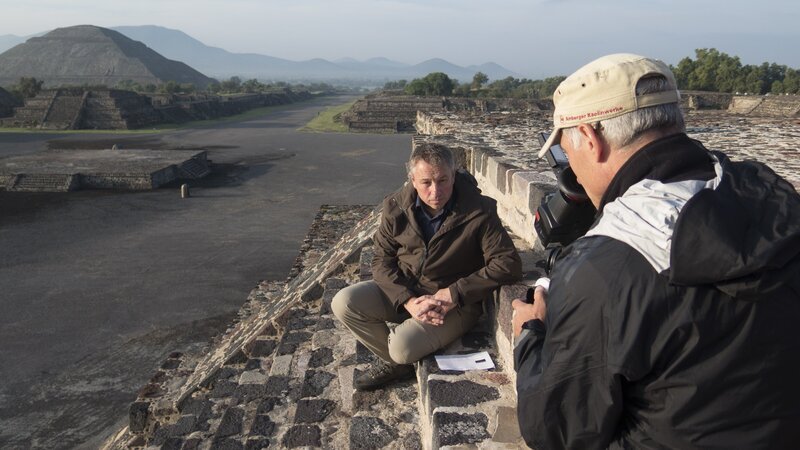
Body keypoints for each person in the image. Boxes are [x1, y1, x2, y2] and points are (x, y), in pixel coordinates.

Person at [512, 53, 800, 449]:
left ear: (591, 140)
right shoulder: (768, 191)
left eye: (567, 150)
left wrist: (531, 332)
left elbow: (555, 428)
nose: (571, 171)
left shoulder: (608, 265)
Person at [332, 142, 522, 390]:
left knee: (401, 347)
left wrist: (454, 293)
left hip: (454, 304)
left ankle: (400, 358)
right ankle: (400, 363)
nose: (436, 191)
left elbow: (507, 262)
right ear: (412, 179)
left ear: (454, 175)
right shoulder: (396, 207)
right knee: (344, 302)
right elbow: (381, 260)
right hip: (408, 290)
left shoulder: (479, 210)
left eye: (443, 180)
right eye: (426, 183)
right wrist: (408, 300)